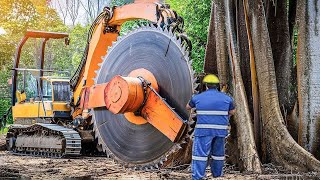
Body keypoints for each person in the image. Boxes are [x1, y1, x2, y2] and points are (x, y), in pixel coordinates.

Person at [186, 74, 235, 179]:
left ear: (206, 86)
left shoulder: (197, 97)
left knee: (200, 155)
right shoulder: (227, 98)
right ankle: (217, 175)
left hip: (203, 131)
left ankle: (198, 177)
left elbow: (188, 107)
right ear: (217, 86)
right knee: (218, 155)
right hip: (220, 131)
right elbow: (232, 111)